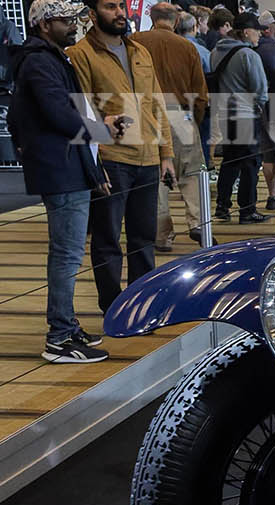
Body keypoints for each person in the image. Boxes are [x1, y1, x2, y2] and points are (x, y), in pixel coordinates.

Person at [12, 0, 117, 362]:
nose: (74, 24)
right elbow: (60, 114)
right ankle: (59, 337)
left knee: (67, 253)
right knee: (67, 254)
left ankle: (67, 326)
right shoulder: (40, 61)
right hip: (61, 169)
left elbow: (22, 117)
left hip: (65, 166)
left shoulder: (49, 58)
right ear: (45, 25)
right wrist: (103, 131)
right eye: (66, 19)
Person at [69, 0, 177, 314]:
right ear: (93, 15)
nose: (119, 12)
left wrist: (166, 154)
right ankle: (113, 307)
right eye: (110, 6)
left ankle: (141, 305)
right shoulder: (80, 55)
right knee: (108, 239)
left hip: (148, 159)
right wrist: (95, 163)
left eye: (121, 6)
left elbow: (156, 105)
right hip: (111, 159)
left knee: (144, 238)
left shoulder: (140, 52)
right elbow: (81, 113)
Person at [131, 1, 207, 251]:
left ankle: (162, 235)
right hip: (180, 114)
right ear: (176, 22)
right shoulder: (187, 47)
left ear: (151, 18)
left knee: (156, 178)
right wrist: (194, 120)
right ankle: (198, 222)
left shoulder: (135, 42)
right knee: (191, 173)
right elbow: (200, 92)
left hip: (146, 115)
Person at [211, 10, 267, 223]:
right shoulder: (249, 55)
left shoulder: (216, 52)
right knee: (251, 163)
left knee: (230, 160)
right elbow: (260, 90)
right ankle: (247, 210)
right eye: (257, 30)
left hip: (225, 114)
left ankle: (222, 206)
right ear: (245, 32)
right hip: (246, 115)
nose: (260, 34)